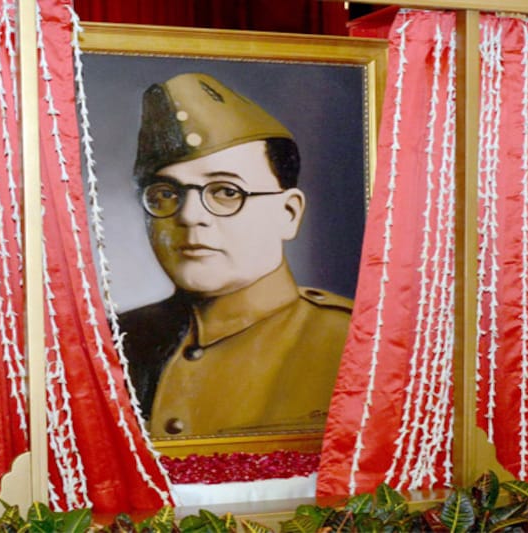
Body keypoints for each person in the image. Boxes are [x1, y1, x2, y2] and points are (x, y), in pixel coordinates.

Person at [118, 72, 353, 439]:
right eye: (166, 194)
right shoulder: (112, 344)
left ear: (288, 214)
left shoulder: (354, 343)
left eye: (226, 191)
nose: (189, 214)